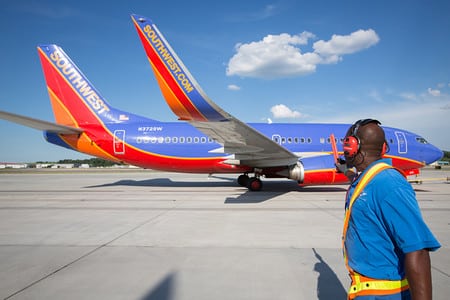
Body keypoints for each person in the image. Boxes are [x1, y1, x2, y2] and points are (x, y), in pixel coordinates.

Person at [336, 119, 440, 300]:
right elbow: (365, 187)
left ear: (353, 146)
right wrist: (347, 171)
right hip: (367, 291)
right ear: (384, 148)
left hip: (384, 295)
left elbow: (418, 251)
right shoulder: (369, 180)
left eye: (346, 144)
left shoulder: (389, 184)